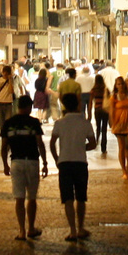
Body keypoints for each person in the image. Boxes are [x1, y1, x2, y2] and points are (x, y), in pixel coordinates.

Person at [50, 92, 97, 241]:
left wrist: (57, 158)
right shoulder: (85, 123)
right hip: (80, 163)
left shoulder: (60, 123)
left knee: (67, 198)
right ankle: (81, 227)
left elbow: (52, 143)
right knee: (81, 197)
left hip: (64, 163)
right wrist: (82, 148)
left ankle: (72, 230)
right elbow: (93, 143)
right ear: (77, 105)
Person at [0, 95, 48, 240]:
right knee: (31, 198)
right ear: (28, 107)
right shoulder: (34, 122)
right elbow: (40, 143)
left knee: (19, 198)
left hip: (16, 162)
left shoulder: (8, 123)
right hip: (32, 161)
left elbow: (4, 147)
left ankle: (21, 230)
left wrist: (5, 165)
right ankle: (31, 228)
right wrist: (45, 163)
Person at [89, 73, 110, 155]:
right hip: (105, 110)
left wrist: (89, 113)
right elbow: (109, 100)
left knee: (98, 127)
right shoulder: (106, 89)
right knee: (104, 129)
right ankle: (103, 147)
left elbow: (90, 102)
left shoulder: (93, 90)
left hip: (97, 110)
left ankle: (96, 141)